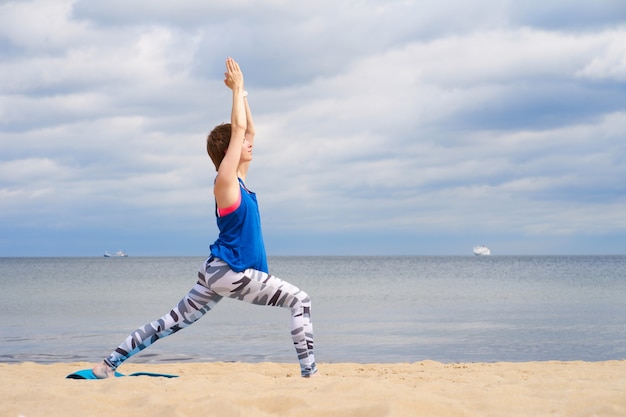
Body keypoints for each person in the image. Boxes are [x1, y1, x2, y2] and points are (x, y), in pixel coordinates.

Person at [92, 57, 317, 378]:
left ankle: (106, 365)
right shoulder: (225, 183)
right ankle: (311, 376)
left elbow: (247, 129)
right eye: (243, 144)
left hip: (219, 271)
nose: (250, 143)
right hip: (232, 271)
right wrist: (235, 89)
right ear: (230, 151)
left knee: (170, 322)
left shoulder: (239, 179)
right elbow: (239, 130)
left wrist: (244, 95)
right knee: (301, 301)